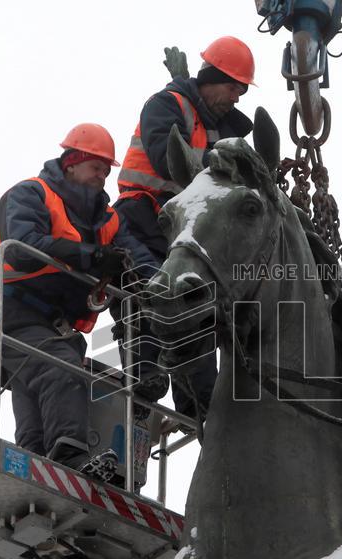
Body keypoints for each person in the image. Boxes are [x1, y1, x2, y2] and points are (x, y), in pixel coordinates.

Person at [0, 123, 157, 478]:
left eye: (106, 172)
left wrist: (163, 283)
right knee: (60, 370)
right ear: (71, 162)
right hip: (11, 310)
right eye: (96, 168)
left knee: (33, 387)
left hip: (55, 324)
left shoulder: (106, 219)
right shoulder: (31, 194)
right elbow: (24, 247)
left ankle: (35, 460)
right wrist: (91, 257)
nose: (101, 178)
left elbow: (137, 258)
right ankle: (69, 460)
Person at [114, 36, 256, 418]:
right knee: (150, 294)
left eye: (242, 91)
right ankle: (146, 382)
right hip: (140, 215)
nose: (237, 97)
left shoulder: (220, 126)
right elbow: (168, 160)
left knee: (194, 306)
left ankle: (200, 403)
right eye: (232, 87)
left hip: (181, 225)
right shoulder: (166, 105)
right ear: (212, 77)